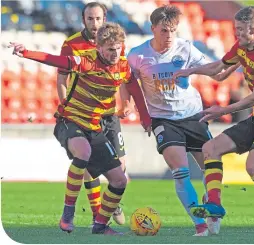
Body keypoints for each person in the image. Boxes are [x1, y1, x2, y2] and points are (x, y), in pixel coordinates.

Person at [9, 22, 151, 235]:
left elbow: (135, 91)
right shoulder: (86, 62)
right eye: (110, 49)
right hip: (70, 121)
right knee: (83, 152)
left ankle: (100, 226)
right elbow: (54, 60)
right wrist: (26, 52)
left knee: (120, 180)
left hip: (94, 128)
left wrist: (146, 118)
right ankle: (68, 214)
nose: (115, 53)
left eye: (119, 48)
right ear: (99, 48)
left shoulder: (123, 68)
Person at [173, 6, 254, 239]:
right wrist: (190, 71)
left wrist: (222, 110)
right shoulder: (242, 46)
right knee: (211, 148)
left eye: (240, 29)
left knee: (253, 166)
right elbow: (218, 68)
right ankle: (215, 205)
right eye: (235, 28)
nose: (235, 33)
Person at [127, 5, 238, 236]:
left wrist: (237, 62)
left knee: (211, 168)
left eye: (173, 31)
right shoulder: (137, 55)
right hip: (163, 120)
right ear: (153, 28)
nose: (169, 37)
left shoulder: (186, 49)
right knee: (180, 171)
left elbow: (215, 72)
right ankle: (199, 225)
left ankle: (212, 205)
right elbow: (129, 85)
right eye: (164, 31)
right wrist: (138, 112)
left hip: (193, 116)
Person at [56, 2, 128, 226]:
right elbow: (62, 79)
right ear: (83, 20)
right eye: (90, 19)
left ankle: (111, 203)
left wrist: (126, 103)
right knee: (88, 163)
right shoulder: (72, 44)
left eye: (98, 19)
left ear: (105, 18)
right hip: (85, 115)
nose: (95, 23)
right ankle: (98, 214)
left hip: (109, 114)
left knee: (121, 168)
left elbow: (122, 74)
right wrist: (68, 106)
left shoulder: (115, 42)